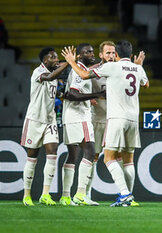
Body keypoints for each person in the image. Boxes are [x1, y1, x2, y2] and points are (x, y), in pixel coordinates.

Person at [61, 40, 147, 207]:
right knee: (93, 156)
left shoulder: (109, 68)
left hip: (115, 119)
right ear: (101, 54)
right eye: (106, 52)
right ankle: (86, 194)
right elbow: (80, 85)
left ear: (116, 54)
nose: (110, 55)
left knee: (121, 159)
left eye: (112, 52)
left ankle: (126, 195)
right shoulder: (93, 69)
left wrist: (71, 62)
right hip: (99, 119)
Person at [21, 48, 69, 206]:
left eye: (57, 57)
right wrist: (68, 62)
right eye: (53, 57)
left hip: (50, 120)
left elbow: (55, 88)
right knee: (32, 156)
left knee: (52, 152)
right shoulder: (38, 72)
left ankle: (45, 194)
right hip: (34, 119)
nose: (56, 59)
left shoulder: (55, 75)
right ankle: (27, 195)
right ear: (45, 61)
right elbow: (49, 77)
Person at [59, 43, 105, 206]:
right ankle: (80, 194)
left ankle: (65, 196)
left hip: (70, 117)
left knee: (73, 156)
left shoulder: (78, 69)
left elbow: (70, 93)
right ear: (79, 55)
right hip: (79, 117)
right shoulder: (79, 71)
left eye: (92, 51)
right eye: (88, 52)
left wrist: (88, 96)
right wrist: (97, 94)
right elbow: (72, 94)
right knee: (91, 152)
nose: (92, 54)